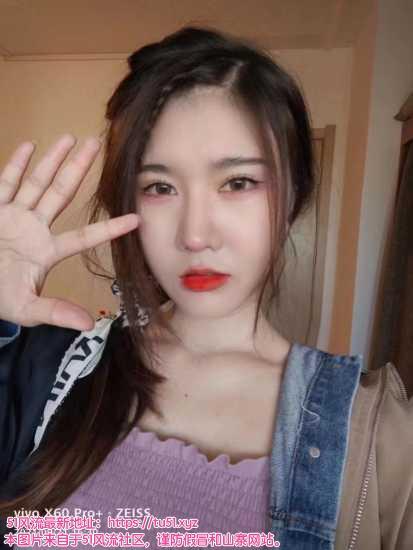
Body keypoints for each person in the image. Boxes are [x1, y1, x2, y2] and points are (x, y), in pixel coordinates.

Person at [0, 25, 411, 550]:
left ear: (294, 196)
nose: (195, 235)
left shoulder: (383, 440)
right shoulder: (48, 372)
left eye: (237, 182)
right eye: (160, 187)